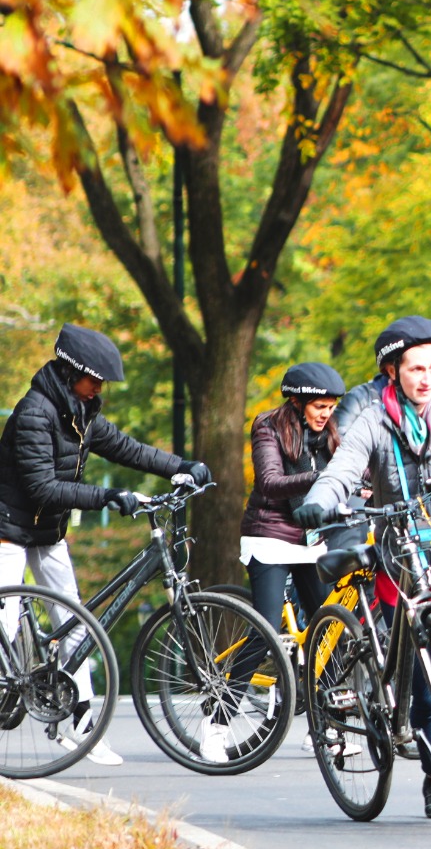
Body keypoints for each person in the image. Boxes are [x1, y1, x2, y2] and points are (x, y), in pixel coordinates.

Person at [295, 318, 431, 820]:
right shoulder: (374, 420)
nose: (426, 377)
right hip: (403, 554)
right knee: (417, 666)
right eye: (416, 368)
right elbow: (342, 471)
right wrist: (318, 501)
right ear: (393, 370)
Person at [0, 324, 210, 767]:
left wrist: (182, 465)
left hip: (47, 533)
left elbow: (128, 449)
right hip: (8, 529)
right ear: (70, 371)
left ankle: (80, 726)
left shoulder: (83, 412)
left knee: (76, 623)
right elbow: (42, 488)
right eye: (93, 378)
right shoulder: (34, 414)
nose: (99, 388)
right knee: (5, 621)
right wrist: (109, 496)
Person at [241, 363, 347, 636]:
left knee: (327, 628)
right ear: (296, 402)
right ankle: (234, 681)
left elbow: (354, 466)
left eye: (331, 407)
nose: (326, 414)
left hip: (309, 537)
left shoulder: (329, 433)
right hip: (270, 537)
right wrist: (320, 477)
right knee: (267, 632)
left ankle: (327, 681)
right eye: (319, 407)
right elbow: (270, 483)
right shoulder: (268, 426)